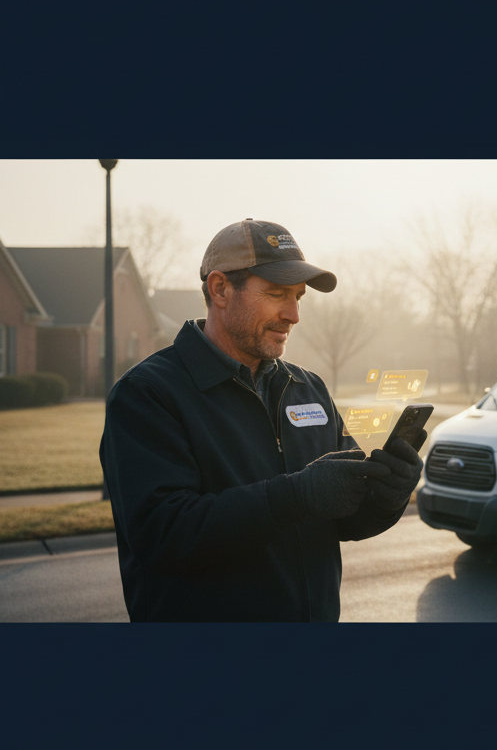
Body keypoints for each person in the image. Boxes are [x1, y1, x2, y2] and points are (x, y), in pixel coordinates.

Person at [99, 218, 424, 621]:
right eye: (276, 293)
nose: (293, 315)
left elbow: (344, 519)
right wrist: (295, 497)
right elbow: (162, 535)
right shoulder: (148, 394)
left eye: (298, 297)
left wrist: (388, 495)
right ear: (220, 289)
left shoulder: (309, 388)